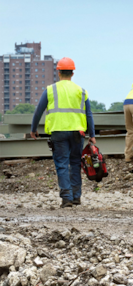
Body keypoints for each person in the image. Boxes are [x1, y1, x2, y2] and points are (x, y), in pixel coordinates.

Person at [29, 57, 96, 208]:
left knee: (62, 165)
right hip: (77, 133)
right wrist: (92, 135)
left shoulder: (50, 90)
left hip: (58, 132)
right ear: (72, 73)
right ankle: (76, 197)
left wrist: (33, 129)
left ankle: (66, 198)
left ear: (58, 72)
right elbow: (89, 115)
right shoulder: (81, 91)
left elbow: (38, 112)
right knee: (75, 163)